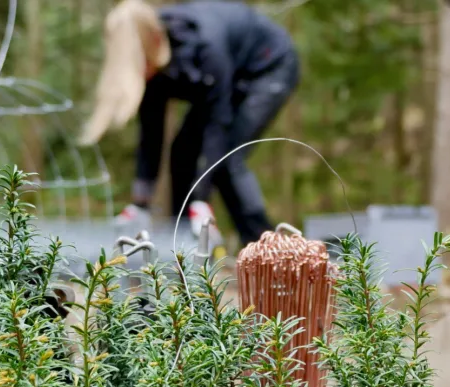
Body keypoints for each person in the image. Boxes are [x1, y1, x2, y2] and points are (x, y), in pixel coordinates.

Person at [80, 0, 300, 248]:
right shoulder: (151, 69)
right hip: (228, 78)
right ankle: (183, 244)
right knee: (182, 153)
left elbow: (218, 123)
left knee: (227, 160)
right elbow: (151, 134)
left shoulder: (205, 46)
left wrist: (201, 199)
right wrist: (140, 203)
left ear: (153, 43)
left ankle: (267, 251)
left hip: (269, 66)